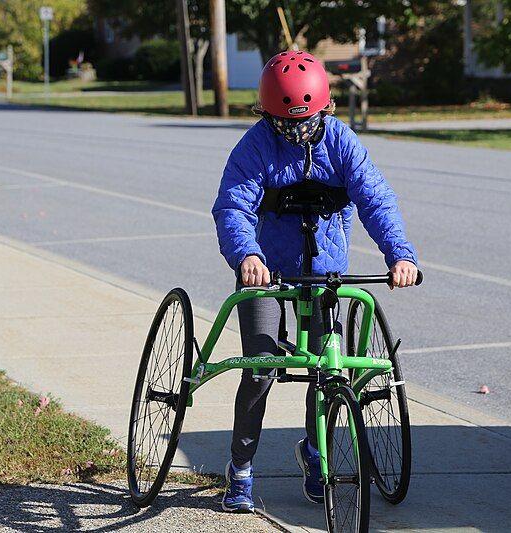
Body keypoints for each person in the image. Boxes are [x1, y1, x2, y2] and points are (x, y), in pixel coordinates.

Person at [211, 50, 418, 513]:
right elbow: (232, 207)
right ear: (267, 115)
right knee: (261, 364)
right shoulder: (255, 147)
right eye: (284, 125)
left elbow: (376, 199)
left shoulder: (342, 142)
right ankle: (241, 467)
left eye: (303, 124)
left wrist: (399, 254)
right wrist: (246, 255)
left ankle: (315, 451)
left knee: (327, 367)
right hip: (266, 270)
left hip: (324, 272)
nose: (295, 133)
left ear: (324, 109)